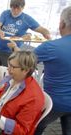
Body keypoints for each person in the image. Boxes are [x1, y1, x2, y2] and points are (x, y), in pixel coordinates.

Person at [8, 6, 71, 135]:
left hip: (55, 103)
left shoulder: (51, 46)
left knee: (33, 128)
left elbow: (23, 60)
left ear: (62, 24)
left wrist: (15, 47)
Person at [0, 51, 44, 135]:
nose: (8, 69)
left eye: (13, 67)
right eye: (9, 65)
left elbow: (22, 130)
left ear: (25, 70)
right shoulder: (13, 79)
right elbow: (0, 98)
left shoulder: (33, 98)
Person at [0, 0, 50, 66]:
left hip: (12, 53)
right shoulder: (5, 13)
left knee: (7, 73)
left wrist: (47, 34)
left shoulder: (26, 19)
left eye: (18, 8)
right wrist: (0, 32)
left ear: (23, 8)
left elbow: (42, 30)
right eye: (13, 8)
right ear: (10, 7)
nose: (15, 11)